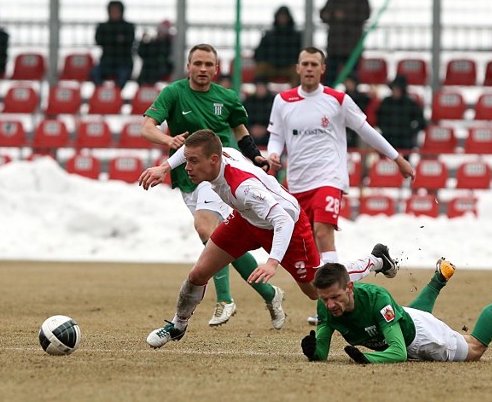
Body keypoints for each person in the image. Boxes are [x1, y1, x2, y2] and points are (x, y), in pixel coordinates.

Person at [139, 130, 399, 348]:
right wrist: (164, 167)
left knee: (315, 289)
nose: (187, 167)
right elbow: (188, 148)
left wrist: (272, 262)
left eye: (193, 162)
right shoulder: (223, 155)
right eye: (187, 160)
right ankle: (178, 326)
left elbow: (282, 221)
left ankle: (375, 260)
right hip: (246, 220)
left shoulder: (243, 187)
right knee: (198, 274)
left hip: (288, 226)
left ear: (214, 160)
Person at [266, 47, 415, 325]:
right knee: (308, 252)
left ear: (323, 69)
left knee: (323, 234)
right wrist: (274, 153)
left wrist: (397, 158)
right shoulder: (283, 101)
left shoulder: (337, 99)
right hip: (296, 184)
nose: (309, 68)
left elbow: (366, 129)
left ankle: (328, 304)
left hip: (329, 179)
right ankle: (374, 261)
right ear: (297, 68)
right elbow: (276, 136)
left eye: (314, 64)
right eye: (304, 64)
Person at [140, 43, 283, 329]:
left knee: (205, 227)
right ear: (188, 67)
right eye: (198, 63)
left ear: (217, 69)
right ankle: (270, 293)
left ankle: (226, 300)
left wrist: (255, 156)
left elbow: (240, 131)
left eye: (209, 64)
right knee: (220, 240)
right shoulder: (174, 93)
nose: (203, 69)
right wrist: (168, 143)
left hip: (220, 172)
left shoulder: (227, 98)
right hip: (188, 176)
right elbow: (147, 127)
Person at [301, 260, 492, 363]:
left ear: (350, 287)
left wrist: (368, 358)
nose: (330, 304)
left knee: (474, 349)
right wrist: (314, 352)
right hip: (403, 319)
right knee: (403, 318)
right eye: (325, 299)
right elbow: (321, 350)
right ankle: (439, 277)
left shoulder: (377, 300)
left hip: (420, 338)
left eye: (336, 297)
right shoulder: (325, 305)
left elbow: (398, 352)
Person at [320, 0, 371, 87]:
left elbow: (365, 14)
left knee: (352, 80)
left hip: (351, 47)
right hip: (334, 47)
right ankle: (329, 100)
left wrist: (345, 16)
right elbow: (323, 14)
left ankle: (351, 101)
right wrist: (331, 15)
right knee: (330, 80)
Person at [375, 74, 426, 157]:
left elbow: (421, 122)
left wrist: (410, 131)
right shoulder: (386, 102)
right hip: (389, 137)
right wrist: (386, 129)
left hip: (405, 139)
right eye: (394, 88)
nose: (396, 91)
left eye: (398, 88)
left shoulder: (410, 104)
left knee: (405, 159)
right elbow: (379, 119)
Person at [90, 0, 135, 89]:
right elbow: (98, 40)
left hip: (124, 62)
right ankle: (101, 94)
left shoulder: (128, 27)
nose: (114, 13)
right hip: (106, 61)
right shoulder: (102, 26)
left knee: (123, 76)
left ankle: (115, 98)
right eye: (112, 11)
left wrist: (109, 38)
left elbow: (129, 41)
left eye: (116, 11)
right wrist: (117, 39)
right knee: (94, 73)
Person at [253, 6, 302, 86]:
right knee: (260, 68)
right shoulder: (269, 35)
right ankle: (262, 93)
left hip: (290, 67)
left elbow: (301, 54)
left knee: (298, 71)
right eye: (280, 17)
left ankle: (295, 94)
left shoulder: (296, 36)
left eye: (284, 17)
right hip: (272, 66)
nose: (282, 19)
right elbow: (258, 53)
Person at [137, 20, 174, 86]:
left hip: (161, 68)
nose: (159, 32)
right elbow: (141, 53)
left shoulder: (168, 44)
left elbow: (165, 56)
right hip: (149, 68)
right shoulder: (152, 42)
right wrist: (142, 42)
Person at [243, 78, 274, 147]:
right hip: (251, 133)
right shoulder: (248, 102)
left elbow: (276, 120)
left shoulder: (273, 102)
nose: (260, 89)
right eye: (258, 87)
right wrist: (251, 128)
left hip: (269, 134)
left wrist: (265, 129)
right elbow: (243, 119)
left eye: (262, 87)